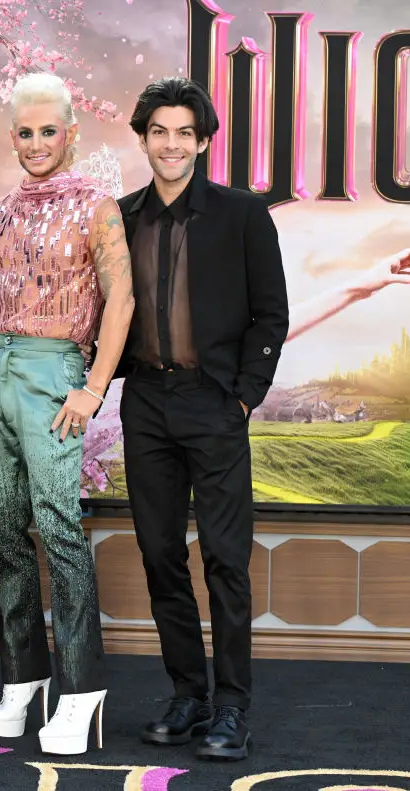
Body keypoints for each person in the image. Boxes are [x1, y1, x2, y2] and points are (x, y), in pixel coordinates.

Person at [116, 77, 288, 761]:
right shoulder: (121, 216)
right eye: (159, 131)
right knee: (159, 553)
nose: (171, 144)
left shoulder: (241, 214)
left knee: (224, 559)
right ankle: (188, 693)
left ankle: (232, 706)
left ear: (204, 141)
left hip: (214, 402)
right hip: (146, 404)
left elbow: (269, 313)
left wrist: (244, 394)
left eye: (184, 132)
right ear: (143, 138)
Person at [0, 72, 135, 756]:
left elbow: (120, 300)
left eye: (49, 130)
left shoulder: (99, 205)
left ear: (71, 132)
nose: (37, 143)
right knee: (2, 528)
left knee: (59, 528)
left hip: (55, 370)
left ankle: (81, 689)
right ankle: (23, 676)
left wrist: (92, 386)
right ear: (13, 137)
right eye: (26, 132)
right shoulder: (2, 209)